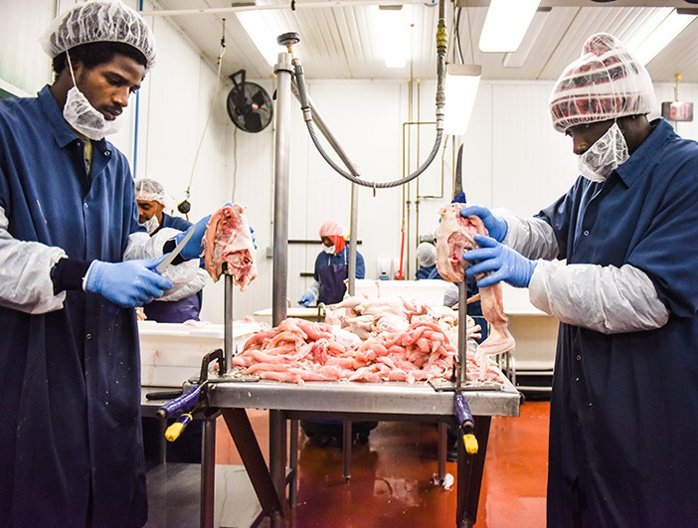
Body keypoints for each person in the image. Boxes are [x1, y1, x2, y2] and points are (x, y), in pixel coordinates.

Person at [460, 33, 698, 526]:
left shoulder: (687, 176)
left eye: (582, 128)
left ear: (630, 113)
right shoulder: (599, 175)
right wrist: (504, 227)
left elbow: (645, 296)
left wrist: (528, 274)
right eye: (568, 131)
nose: (576, 145)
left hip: (646, 409)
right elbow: (552, 230)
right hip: (582, 402)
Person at [0, 2, 213, 526]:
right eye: (113, 80)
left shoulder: (114, 162)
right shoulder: (8, 133)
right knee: (38, 495)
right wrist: (85, 275)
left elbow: (125, 248)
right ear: (70, 63)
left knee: (109, 496)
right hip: (32, 362)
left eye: (133, 89)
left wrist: (180, 249)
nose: (122, 100)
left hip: (107, 364)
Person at [135, 177, 207, 323]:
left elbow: (201, 275)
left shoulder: (182, 229)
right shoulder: (132, 231)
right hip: (141, 310)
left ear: (161, 205)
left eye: (146, 206)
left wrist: (162, 291)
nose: (139, 212)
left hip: (178, 309)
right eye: (134, 206)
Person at [299, 220, 366, 306]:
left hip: (346, 309)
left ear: (338, 239)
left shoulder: (354, 257)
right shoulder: (321, 257)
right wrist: (311, 293)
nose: (326, 243)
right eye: (323, 240)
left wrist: (343, 305)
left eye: (329, 240)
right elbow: (317, 283)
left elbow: (357, 286)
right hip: (324, 307)